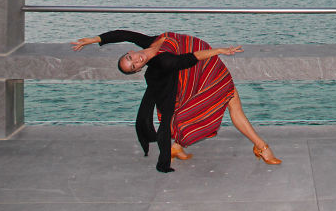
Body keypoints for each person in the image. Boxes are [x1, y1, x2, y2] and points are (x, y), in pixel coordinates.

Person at [72, 30, 281, 172]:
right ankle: (262, 147)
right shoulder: (162, 61)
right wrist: (220, 50)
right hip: (202, 70)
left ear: (131, 52)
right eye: (134, 67)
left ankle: (177, 146)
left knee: (223, 104)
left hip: (204, 70)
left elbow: (122, 34)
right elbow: (190, 58)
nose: (136, 61)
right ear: (139, 70)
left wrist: (91, 40)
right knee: (232, 102)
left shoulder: (148, 42)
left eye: (130, 59)